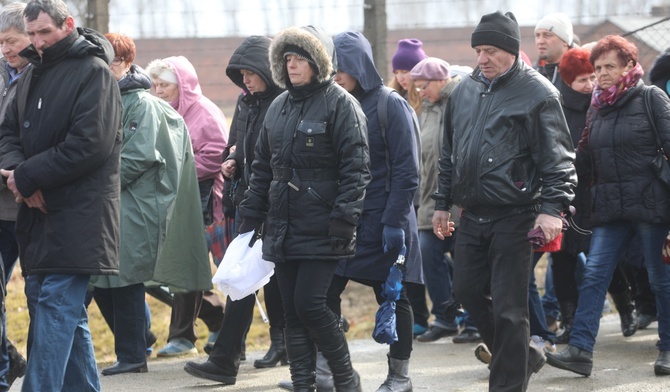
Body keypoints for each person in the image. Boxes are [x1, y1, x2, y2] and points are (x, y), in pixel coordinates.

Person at [431, 11, 576, 392]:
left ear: (511, 51)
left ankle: (507, 384)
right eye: (479, 50)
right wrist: (442, 204)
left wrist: (550, 210)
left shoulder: (539, 94)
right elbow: (449, 154)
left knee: (511, 309)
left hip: (518, 215)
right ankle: (523, 357)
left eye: (491, 50)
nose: (483, 58)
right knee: (464, 290)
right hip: (472, 214)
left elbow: (559, 159)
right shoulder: (464, 91)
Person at [238, 25, 370, 391]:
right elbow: (263, 166)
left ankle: (346, 381)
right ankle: (303, 383)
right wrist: (252, 212)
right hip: (282, 225)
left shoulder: (342, 104)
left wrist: (344, 218)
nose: (292, 65)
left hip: (324, 226)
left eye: (300, 58)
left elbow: (356, 168)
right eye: (287, 58)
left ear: (318, 61)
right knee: (292, 313)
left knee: (311, 305)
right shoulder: (279, 106)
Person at [0, 0, 122, 390]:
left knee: (54, 308)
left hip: (80, 215)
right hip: (38, 215)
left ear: (67, 25)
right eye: (31, 34)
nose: (35, 42)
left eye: (44, 33)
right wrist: (22, 177)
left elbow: (90, 144)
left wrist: (28, 177)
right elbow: (9, 134)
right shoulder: (33, 74)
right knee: (53, 308)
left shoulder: (94, 73)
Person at [545, 35, 670, 378]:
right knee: (595, 274)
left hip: (651, 206)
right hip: (610, 209)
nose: (600, 74)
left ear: (629, 66)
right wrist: (554, 173)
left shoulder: (651, 97)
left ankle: (668, 348)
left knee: (660, 279)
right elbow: (583, 157)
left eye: (608, 67)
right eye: (596, 68)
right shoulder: (597, 105)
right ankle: (581, 350)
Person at [89, 33, 212, 376]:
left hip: (131, 206)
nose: (104, 68)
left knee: (123, 279)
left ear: (127, 63)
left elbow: (136, 158)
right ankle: (136, 343)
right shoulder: (104, 97)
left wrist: (91, 184)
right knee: (100, 279)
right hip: (110, 205)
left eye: (112, 61)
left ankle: (132, 355)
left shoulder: (139, 104)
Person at [183, 35, 286, 385]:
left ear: (266, 71)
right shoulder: (245, 104)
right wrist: (231, 161)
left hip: (277, 203)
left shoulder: (283, 102)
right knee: (245, 279)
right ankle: (228, 358)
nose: (245, 79)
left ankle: (283, 346)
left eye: (250, 72)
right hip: (249, 200)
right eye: (240, 73)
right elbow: (236, 145)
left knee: (275, 282)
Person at [326, 30, 419, 392]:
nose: (336, 74)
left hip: (385, 219)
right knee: (320, 295)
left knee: (394, 297)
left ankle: (400, 377)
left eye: (342, 66)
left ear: (359, 65)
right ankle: (335, 372)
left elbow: (408, 170)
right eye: (331, 66)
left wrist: (394, 221)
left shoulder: (389, 104)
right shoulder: (334, 103)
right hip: (346, 221)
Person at [145, 56, 227, 357]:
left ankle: (187, 336)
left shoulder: (204, 112)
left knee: (189, 269)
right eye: (155, 84)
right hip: (175, 203)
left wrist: (173, 168)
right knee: (177, 271)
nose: (158, 90)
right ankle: (218, 321)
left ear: (183, 85)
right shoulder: (164, 111)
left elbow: (217, 155)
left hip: (206, 207)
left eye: (164, 84)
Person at [408, 57, 479, 344]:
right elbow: (425, 164)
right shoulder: (427, 110)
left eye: (423, 86)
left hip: (461, 202)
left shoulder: (463, 102)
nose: (420, 91)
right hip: (431, 202)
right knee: (428, 253)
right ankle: (445, 317)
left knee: (466, 263)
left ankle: (474, 321)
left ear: (440, 80)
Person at [387, 37, 431, 337]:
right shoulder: (390, 101)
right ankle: (419, 315)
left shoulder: (426, 103)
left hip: (426, 189)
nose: (403, 77)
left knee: (425, 254)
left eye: (409, 70)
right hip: (403, 193)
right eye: (399, 71)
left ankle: (445, 309)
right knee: (407, 257)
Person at [0, 3, 29, 389]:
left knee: (45, 297)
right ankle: (6, 368)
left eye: (10, 41)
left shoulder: (43, 76)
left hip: (31, 203)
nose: (5, 49)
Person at [535, 12, 574, 86]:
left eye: (547, 35)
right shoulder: (532, 73)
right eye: (537, 35)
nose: (540, 41)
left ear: (565, 41)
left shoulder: (581, 73)